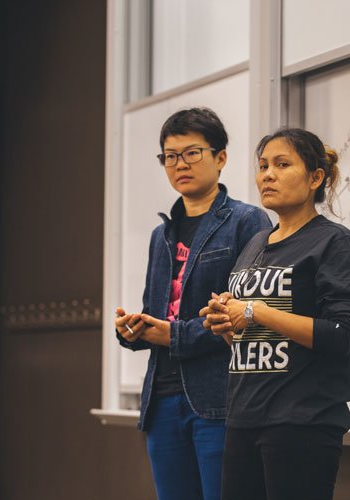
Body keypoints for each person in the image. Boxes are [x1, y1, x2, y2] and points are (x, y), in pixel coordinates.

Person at [200, 128, 350, 500]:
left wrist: (255, 310)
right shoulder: (255, 244)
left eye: (282, 164)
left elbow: (340, 335)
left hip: (302, 422)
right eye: (263, 166)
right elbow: (253, 333)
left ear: (315, 178)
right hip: (244, 418)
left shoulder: (334, 243)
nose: (267, 175)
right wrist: (226, 324)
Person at [115, 107, 271, 500]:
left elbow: (249, 314)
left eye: (191, 153)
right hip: (162, 399)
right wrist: (134, 329)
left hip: (219, 398)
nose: (179, 164)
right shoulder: (160, 234)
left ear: (220, 158)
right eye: (170, 156)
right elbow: (158, 311)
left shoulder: (248, 223)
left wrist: (174, 335)